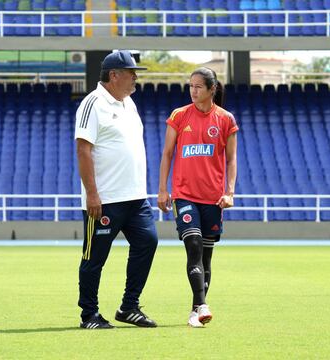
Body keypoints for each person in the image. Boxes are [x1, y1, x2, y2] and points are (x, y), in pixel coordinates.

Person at [75, 50, 158, 330]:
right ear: (114, 75)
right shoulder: (92, 104)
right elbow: (83, 150)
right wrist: (92, 194)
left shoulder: (129, 103)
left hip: (136, 198)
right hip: (105, 200)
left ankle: (129, 307)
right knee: (94, 258)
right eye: (131, 73)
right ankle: (89, 315)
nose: (135, 78)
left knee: (148, 242)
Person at [157, 67, 238, 328]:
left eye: (198, 87)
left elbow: (232, 158)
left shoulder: (225, 119)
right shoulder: (179, 116)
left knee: (206, 257)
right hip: (184, 195)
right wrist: (162, 189)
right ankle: (203, 305)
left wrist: (229, 192)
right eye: (190, 86)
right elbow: (167, 153)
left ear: (212, 89)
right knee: (193, 245)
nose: (193, 91)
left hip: (213, 198)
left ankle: (195, 309)